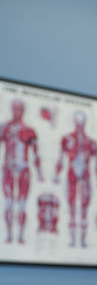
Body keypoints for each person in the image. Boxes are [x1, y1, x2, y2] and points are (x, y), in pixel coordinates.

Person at [53, 110, 97, 248]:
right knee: (72, 208)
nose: (80, 125)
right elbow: (61, 158)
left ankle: (82, 240)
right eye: (78, 122)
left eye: (82, 122)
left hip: (85, 176)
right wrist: (56, 174)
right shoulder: (67, 139)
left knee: (84, 209)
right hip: (72, 175)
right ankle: (72, 239)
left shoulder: (91, 143)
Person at [0, 99, 43, 243]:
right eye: (13, 108)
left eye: (18, 109)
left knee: (22, 204)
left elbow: (35, 154)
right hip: (8, 169)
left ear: (23, 111)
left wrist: (39, 173)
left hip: (23, 168)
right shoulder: (4, 128)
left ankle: (20, 235)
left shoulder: (29, 131)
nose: (15, 111)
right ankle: (8, 235)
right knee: (9, 203)